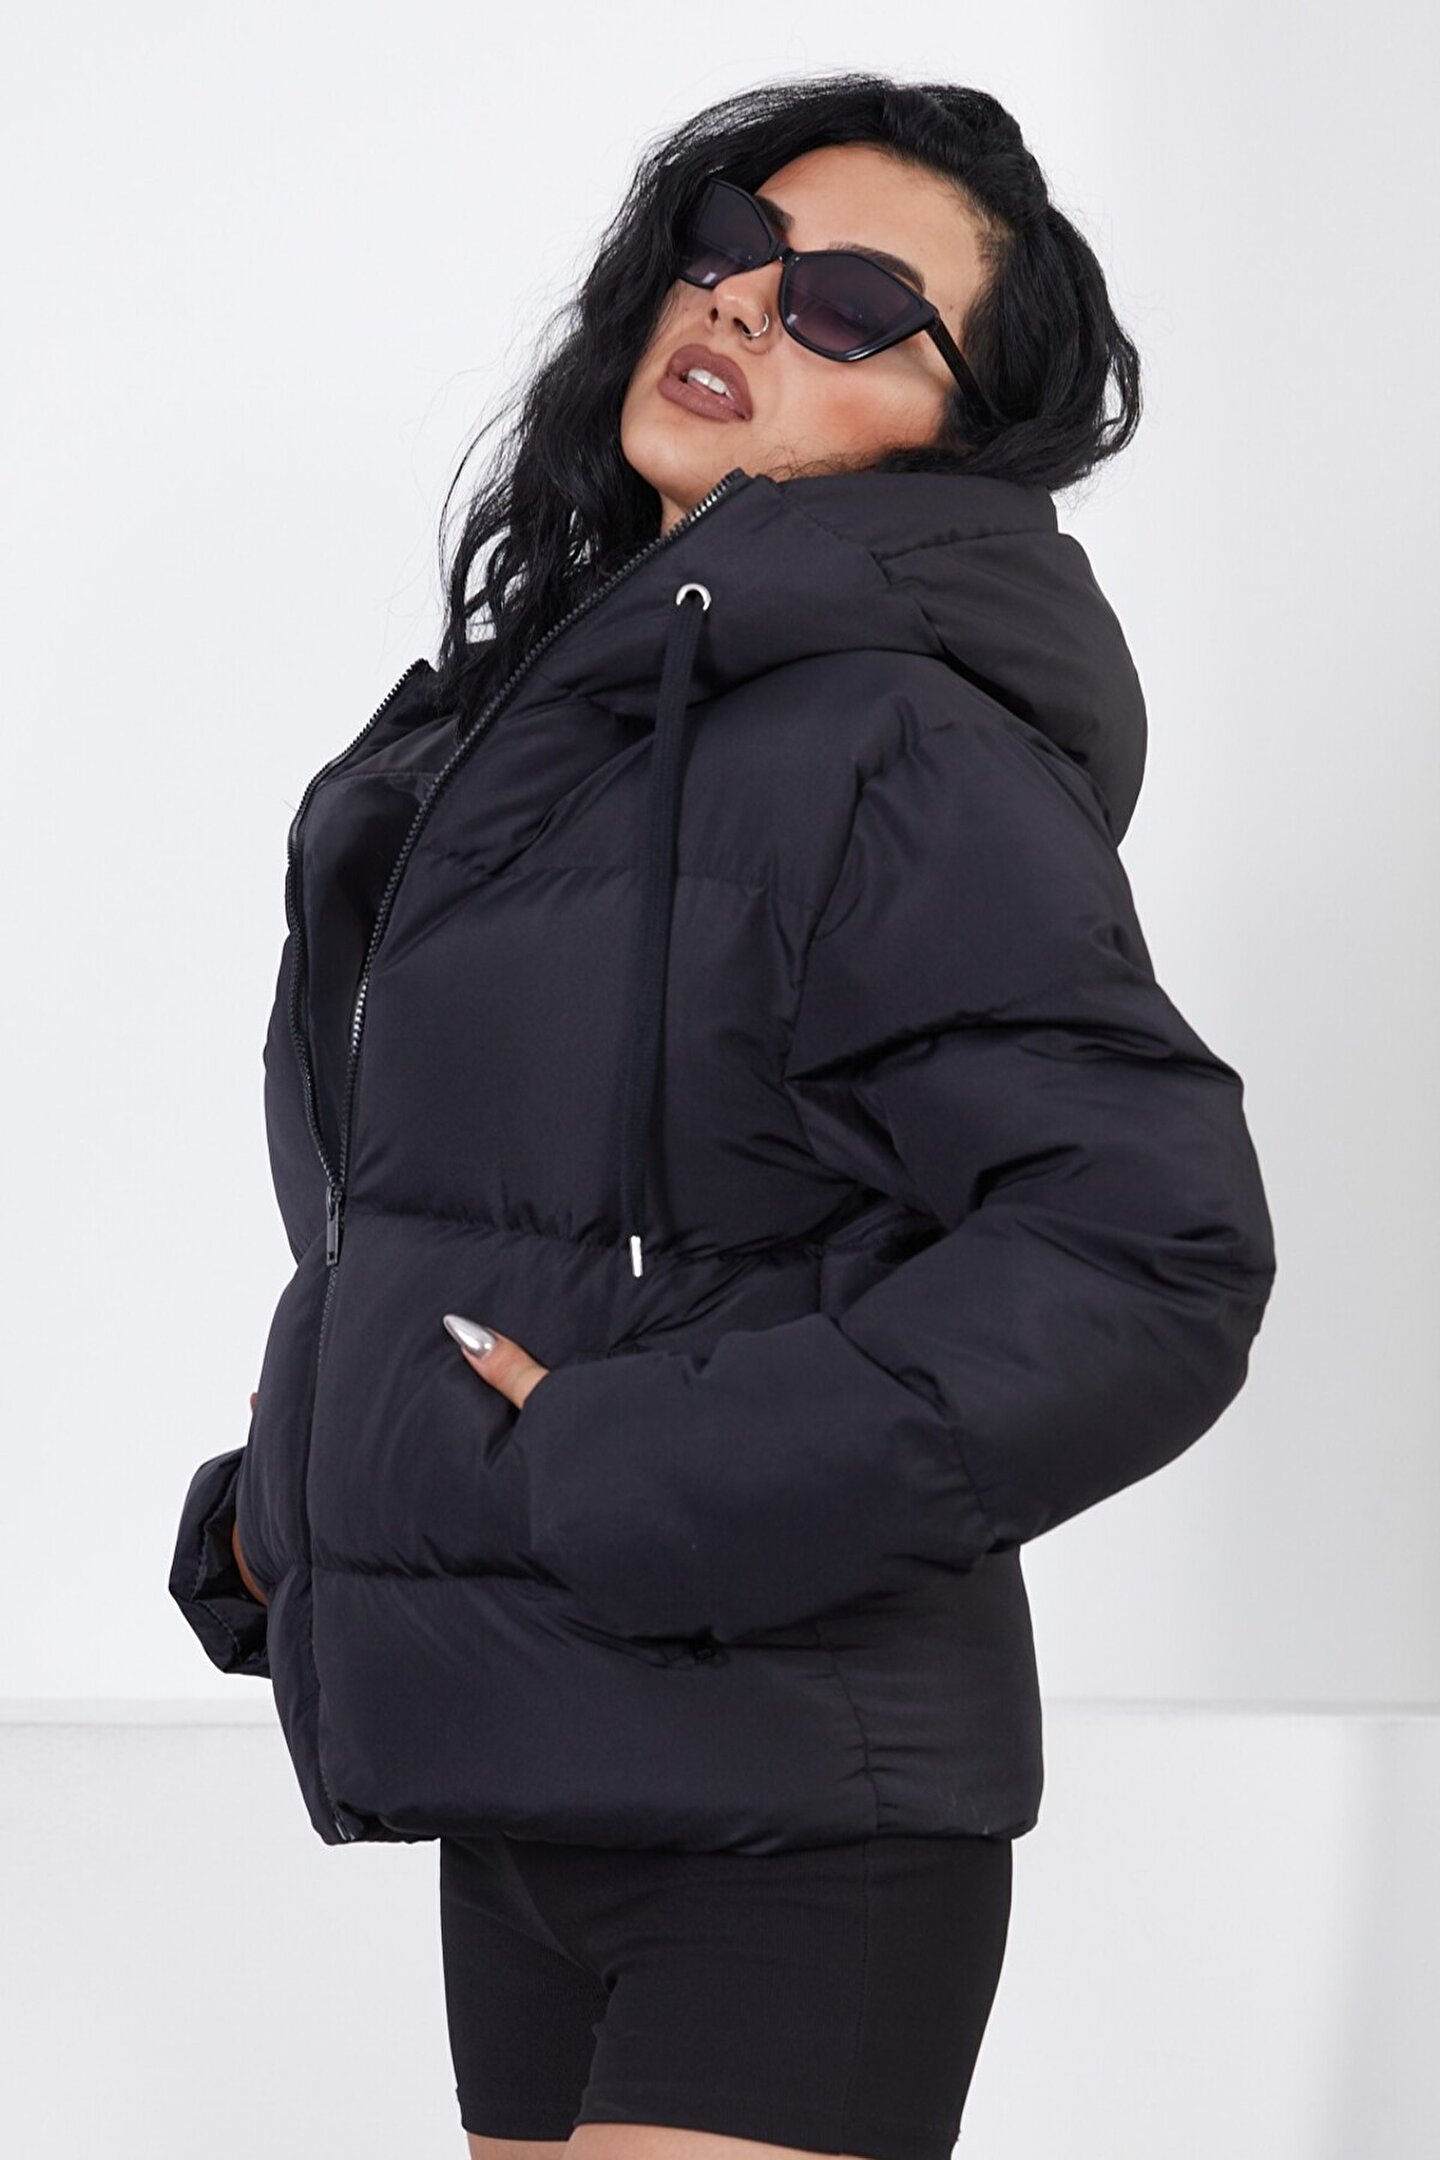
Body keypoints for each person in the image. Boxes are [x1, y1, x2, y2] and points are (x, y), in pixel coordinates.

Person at [169, 73, 1277, 2160]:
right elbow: (513, 1222)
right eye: (733, 244)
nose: (750, 301)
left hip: (797, 1806)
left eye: (852, 304)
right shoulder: (550, 729)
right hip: (532, 1769)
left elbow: (1150, 1259)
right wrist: (298, 1497)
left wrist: (622, 1463)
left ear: (952, 430)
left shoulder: (898, 745)